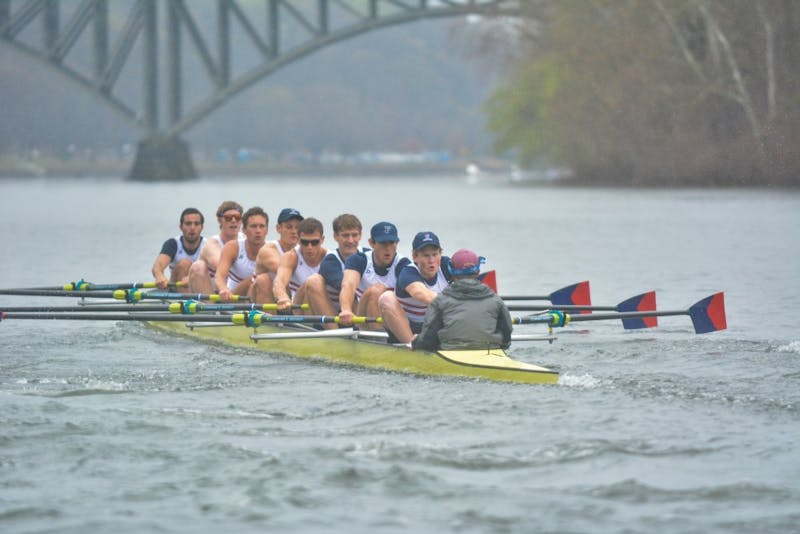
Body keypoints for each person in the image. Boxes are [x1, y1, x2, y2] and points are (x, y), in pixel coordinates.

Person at [412, 249, 512, 351]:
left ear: (451, 271)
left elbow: (428, 341)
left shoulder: (440, 301)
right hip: (489, 350)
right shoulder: (496, 300)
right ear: (478, 271)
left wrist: (416, 342)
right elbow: (507, 337)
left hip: (451, 351)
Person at [379, 231, 452, 344]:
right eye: (426, 255)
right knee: (386, 298)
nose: (431, 261)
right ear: (415, 257)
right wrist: (456, 302)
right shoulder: (408, 273)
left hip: (434, 327)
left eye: (435, 254)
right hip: (407, 327)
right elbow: (422, 294)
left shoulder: (446, 265)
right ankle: (411, 346)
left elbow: (467, 278)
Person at [337, 221, 409, 330]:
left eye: (392, 243)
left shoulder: (403, 264)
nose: (388, 248)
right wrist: (346, 309)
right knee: (377, 290)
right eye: (383, 243)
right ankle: (378, 335)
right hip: (363, 318)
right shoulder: (359, 260)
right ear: (371, 243)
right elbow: (348, 285)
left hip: (393, 319)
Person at [303, 214, 366, 328]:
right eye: (345, 235)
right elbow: (347, 286)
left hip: (359, 315)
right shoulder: (330, 261)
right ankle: (335, 334)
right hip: (336, 317)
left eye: (354, 235)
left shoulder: (368, 255)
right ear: (336, 236)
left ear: (360, 235)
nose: (351, 240)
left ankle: (373, 333)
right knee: (313, 281)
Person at [272, 217, 328, 312]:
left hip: (321, 306)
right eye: (304, 242)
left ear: (322, 240)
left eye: (314, 242)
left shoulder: (329, 257)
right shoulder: (291, 257)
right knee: (312, 283)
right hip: (298, 307)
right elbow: (279, 282)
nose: (309, 247)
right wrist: (283, 297)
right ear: (298, 240)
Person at [249, 208, 303, 304]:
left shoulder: (304, 249)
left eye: (297, 228)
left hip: (288, 296)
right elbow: (283, 270)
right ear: (279, 228)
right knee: (263, 280)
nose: (294, 231)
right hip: (263, 296)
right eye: (289, 227)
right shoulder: (268, 250)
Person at [214, 206, 268, 301]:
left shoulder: (271, 250)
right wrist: (223, 289)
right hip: (233, 299)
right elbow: (219, 276)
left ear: (267, 230)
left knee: (261, 280)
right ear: (244, 230)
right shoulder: (233, 247)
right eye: (253, 226)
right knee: (254, 279)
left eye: (262, 226)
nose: (258, 231)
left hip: (256, 296)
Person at [188, 200, 243, 293]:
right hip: (212, 292)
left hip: (236, 291)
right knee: (198, 266)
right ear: (219, 220)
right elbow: (219, 264)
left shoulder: (246, 239)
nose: (233, 221)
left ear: (241, 221)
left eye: (237, 217)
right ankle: (209, 303)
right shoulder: (212, 244)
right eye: (228, 218)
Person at [151, 207, 206, 290]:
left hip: (201, 287)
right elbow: (158, 266)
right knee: (184, 264)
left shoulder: (208, 245)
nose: (192, 228)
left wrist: (192, 277)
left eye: (196, 224)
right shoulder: (173, 244)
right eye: (188, 224)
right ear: (181, 227)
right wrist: (159, 275)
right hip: (176, 287)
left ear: (202, 227)